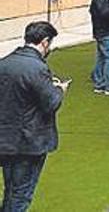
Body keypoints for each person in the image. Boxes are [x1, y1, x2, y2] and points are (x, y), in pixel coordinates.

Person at [0, 22, 67, 212]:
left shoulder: (4, 63)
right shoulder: (37, 68)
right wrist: (59, 90)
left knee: (11, 190)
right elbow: (51, 103)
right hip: (29, 142)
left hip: (6, 139)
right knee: (21, 195)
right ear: (45, 42)